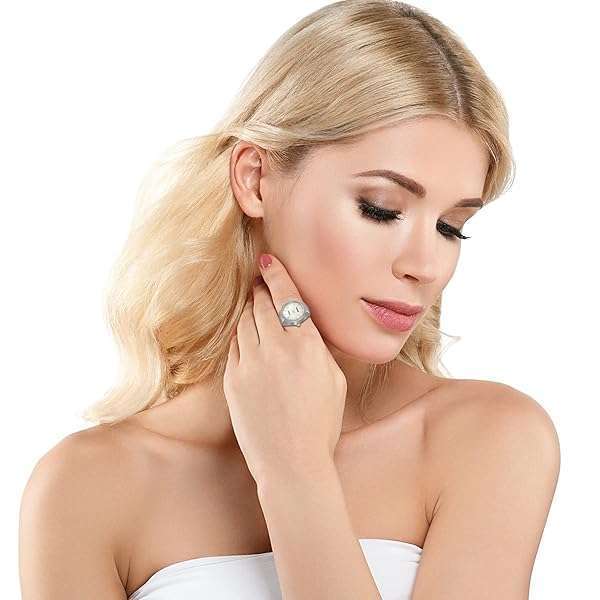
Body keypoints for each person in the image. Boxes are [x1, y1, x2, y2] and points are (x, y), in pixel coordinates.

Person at [19, 1, 560, 598]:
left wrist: (296, 472)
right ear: (255, 178)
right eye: (381, 209)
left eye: (450, 227)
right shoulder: (85, 487)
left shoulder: (488, 439)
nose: (425, 266)